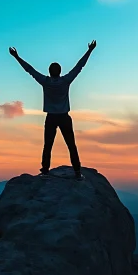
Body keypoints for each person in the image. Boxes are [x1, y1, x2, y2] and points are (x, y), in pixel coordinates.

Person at [8, 40, 96, 180]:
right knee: (71, 145)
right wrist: (90, 50)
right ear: (60, 72)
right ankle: (77, 172)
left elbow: (29, 70)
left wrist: (16, 57)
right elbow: (79, 66)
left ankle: (45, 170)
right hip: (64, 117)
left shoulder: (45, 81)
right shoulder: (66, 81)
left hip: (51, 117)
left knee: (48, 144)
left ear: (50, 72)